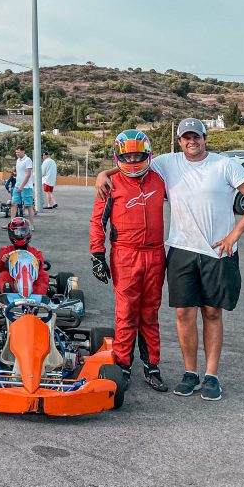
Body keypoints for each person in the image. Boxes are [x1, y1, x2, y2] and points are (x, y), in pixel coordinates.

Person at [95, 118, 244, 401]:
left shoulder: (225, 165)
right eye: (186, 137)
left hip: (217, 251)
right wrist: (105, 173)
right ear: (179, 141)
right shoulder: (168, 163)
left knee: (212, 313)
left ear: (204, 138)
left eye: (196, 136)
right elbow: (134, 161)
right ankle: (190, 373)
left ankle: (211, 375)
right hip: (181, 250)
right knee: (183, 314)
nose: (192, 142)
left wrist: (235, 234)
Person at [89, 130, 167, 392]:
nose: (133, 160)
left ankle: (152, 366)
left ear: (147, 155)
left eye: (138, 155)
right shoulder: (110, 184)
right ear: (118, 156)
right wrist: (97, 254)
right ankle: (122, 364)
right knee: (126, 312)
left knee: (150, 312)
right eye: (128, 156)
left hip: (156, 254)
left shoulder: (160, 180)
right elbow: (97, 221)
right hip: (124, 254)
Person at [0, 217, 49, 297]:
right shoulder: (5, 250)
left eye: (23, 231)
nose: (20, 234)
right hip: (12, 277)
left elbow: (40, 266)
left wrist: (37, 262)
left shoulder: (35, 251)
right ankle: (9, 295)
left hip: (30, 276)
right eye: (16, 232)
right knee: (3, 275)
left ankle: (38, 297)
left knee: (43, 275)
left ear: (28, 232)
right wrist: (3, 261)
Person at [10, 145, 35, 230]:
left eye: (18, 152)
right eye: (16, 152)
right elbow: (20, 173)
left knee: (28, 206)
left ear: (23, 151)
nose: (17, 154)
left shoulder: (28, 160)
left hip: (26, 187)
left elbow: (28, 174)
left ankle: (31, 225)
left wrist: (22, 186)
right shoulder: (18, 160)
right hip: (17, 185)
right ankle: (11, 223)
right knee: (13, 204)